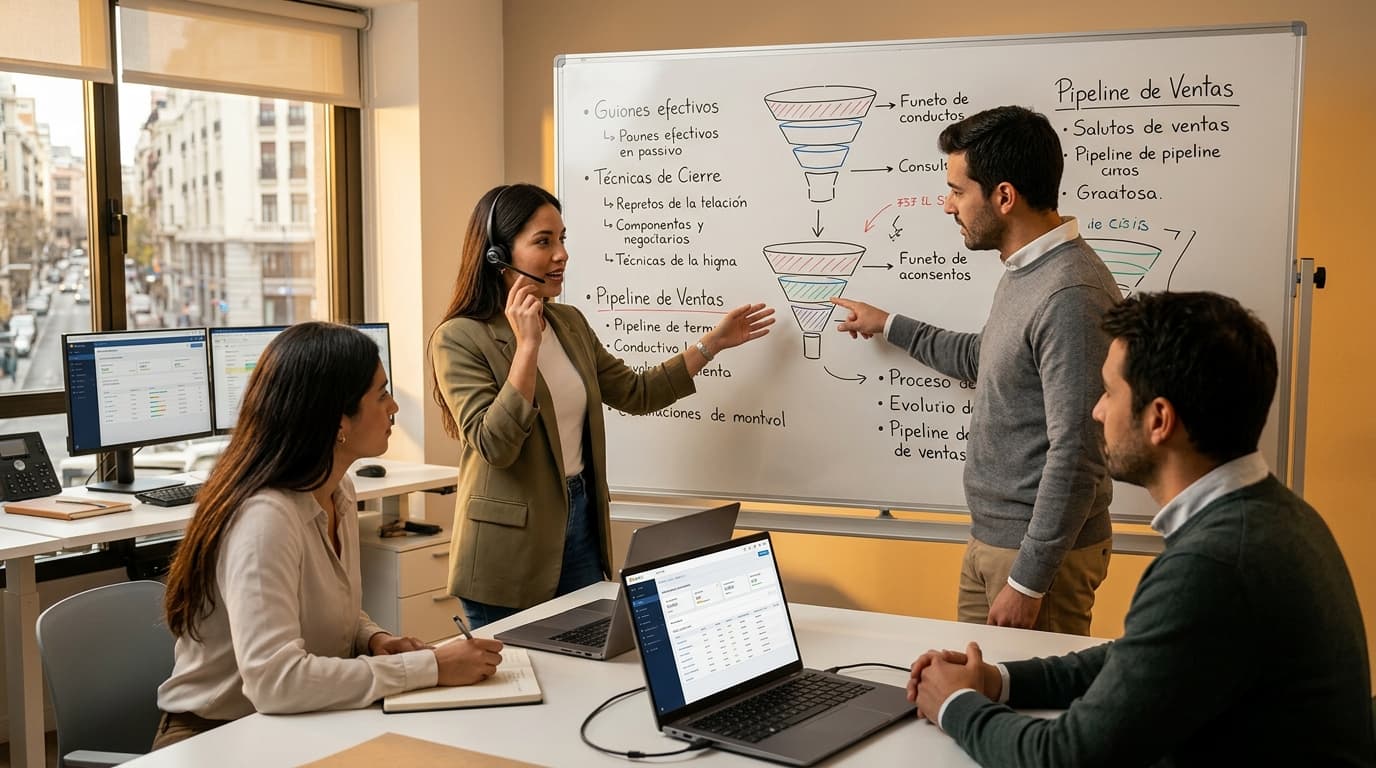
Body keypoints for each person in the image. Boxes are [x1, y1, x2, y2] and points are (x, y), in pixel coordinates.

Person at [909, 291, 1376, 766]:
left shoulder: (1212, 564)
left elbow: (1066, 758)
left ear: (1158, 419)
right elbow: (1135, 658)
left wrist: (955, 704)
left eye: (1109, 393)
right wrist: (998, 680)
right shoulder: (1278, 515)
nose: (1096, 411)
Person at [430, 183, 774, 629]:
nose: (562, 254)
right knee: (528, 682)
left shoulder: (568, 322)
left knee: (588, 666)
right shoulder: (459, 337)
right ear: (497, 254)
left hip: (581, 527)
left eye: (562, 239)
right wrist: (527, 347)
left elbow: (635, 392)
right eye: (543, 241)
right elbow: (495, 445)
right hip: (508, 552)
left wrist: (711, 345)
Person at [832, 105, 1119, 634]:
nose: (947, 204)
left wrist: (1029, 582)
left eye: (958, 190)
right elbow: (983, 357)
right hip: (996, 541)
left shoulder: (1071, 293)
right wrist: (889, 324)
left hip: (1034, 560)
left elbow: (1080, 450)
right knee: (969, 698)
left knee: (1021, 711)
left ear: (1004, 197)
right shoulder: (1029, 269)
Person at [155, 322, 504, 749]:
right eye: (380, 394)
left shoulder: (337, 490)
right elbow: (276, 683)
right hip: (216, 739)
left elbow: (326, 604)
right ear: (338, 420)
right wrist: (430, 667)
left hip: (295, 723)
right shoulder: (265, 518)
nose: (393, 406)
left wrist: (372, 638)